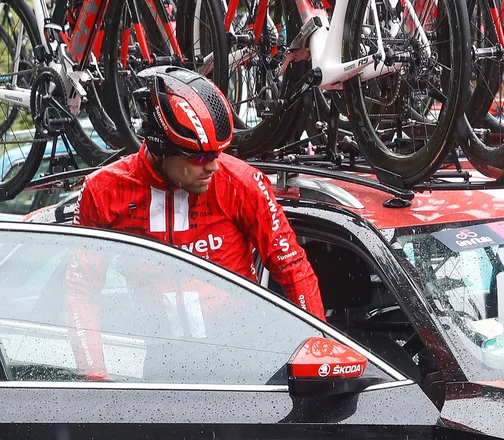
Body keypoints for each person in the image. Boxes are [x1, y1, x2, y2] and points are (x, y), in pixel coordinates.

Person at [64, 66, 325, 380]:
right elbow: (82, 290)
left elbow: (293, 267)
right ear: (161, 148)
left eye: (217, 153)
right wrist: (94, 376)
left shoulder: (242, 182)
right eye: (200, 157)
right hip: (163, 364)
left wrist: (318, 357)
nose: (213, 165)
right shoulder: (104, 191)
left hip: (243, 359)